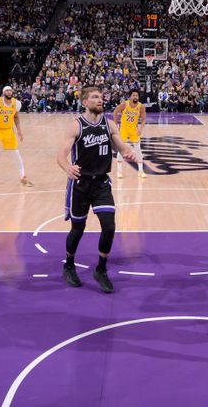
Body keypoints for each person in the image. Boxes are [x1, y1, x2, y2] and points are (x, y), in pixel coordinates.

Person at [56, 86, 137, 293]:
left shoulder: (109, 124)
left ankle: (101, 269)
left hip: (101, 183)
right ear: (85, 102)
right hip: (80, 184)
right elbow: (61, 155)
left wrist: (128, 152)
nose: (100, 100)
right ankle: (69, 264)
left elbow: (120, 145)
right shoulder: (76, 126)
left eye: (101, 97)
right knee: (78, 229)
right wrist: (68, 167)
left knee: (109, 227)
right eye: (95, 97)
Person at [0, 86, 33, 191]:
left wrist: (19, 130)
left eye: (10, 90)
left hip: (8, 130)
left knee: (16, 153)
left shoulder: (17, 103)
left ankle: (23, 177)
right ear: (4, 93)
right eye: (7, 90)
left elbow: (16, 117)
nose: (9, 92)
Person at [114, 89, 147, 179]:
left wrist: (140, 128)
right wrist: (116, 125)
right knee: (121, 150)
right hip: (124, 129)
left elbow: (144, 119)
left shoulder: (141, 106)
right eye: (133, 95)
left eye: (137, 95)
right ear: (130, 96)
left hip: (134, 130)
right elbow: (115, 112)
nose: (135, 97)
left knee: (138, 149)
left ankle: (141, 171)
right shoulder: (125, 104)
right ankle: (119, 171)